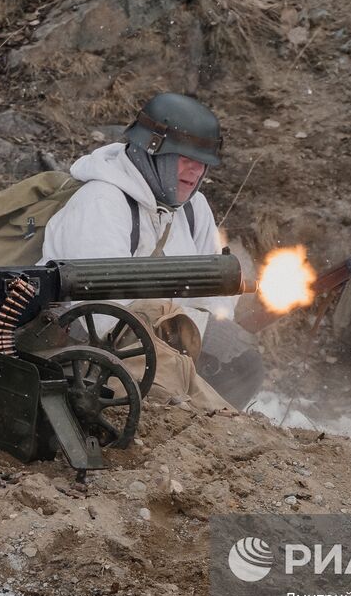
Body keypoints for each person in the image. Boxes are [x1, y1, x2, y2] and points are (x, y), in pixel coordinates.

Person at [40, 92, 265, 410]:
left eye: (202, 164)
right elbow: (103, 317)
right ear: (152, 152)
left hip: (163, 340)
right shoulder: (101, 203)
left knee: (240, 361)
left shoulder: (193, 207)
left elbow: (215, 291)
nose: (195, 172)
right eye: (185, 159)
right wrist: (189, 334)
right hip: (92, 351)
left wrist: (210, 328)